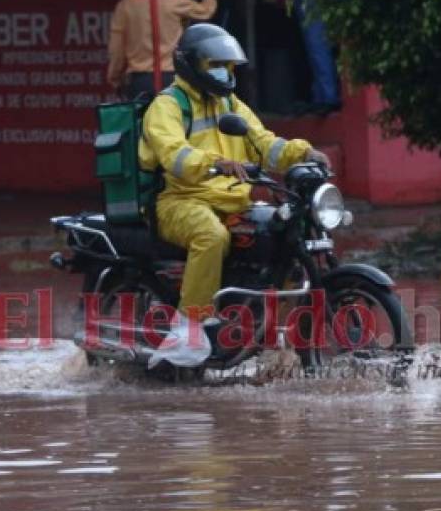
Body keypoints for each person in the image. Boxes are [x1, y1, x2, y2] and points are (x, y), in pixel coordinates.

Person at [138, 23, 331, 368]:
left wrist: (303, 153)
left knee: (277, 231)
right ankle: (190, 328)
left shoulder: (230, 103)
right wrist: (216, 163)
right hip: (180, 200)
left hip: (231, 202)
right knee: (210, 236)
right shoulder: (167, 106)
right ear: (191, 64)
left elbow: (264, 144)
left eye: (227, 66)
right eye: (215, 65)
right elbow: (173, 155)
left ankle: (258, 322)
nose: (224, 73)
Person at [107, 0, 218, 100]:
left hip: (139, 80)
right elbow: (205, 12)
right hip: (171, 76)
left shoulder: (125, 6)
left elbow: (116, 50)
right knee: (173, 119)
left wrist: (115, 78)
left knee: (143, 120)